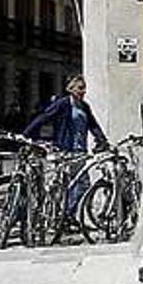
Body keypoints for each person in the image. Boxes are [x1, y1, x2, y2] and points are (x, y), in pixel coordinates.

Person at [22, 75, 108, 227]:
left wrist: (102, 140)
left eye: (84, 88)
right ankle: (60, 215)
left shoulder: (84, 106)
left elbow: (93, 125)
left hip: (79, 151)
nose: (83, 91)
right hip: (64, 150)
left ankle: (67, 215)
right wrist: (26, 134)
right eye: (80, 88)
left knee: (80, 185)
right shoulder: (62, 104)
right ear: (71, 89)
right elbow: (44, 117)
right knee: (70, 184)